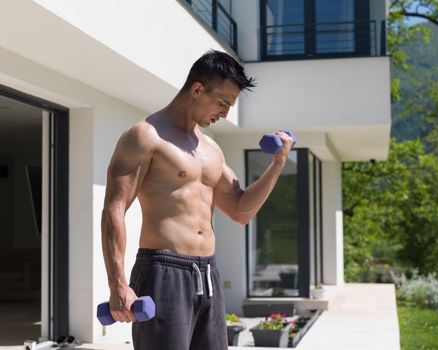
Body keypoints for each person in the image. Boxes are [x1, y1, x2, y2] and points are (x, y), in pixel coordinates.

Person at [101, 50, 294, 350]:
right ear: (197, 89)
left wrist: (277, 164)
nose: (225, 114)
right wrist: (118, 285)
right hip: (163, 272)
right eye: (223, 103)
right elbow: (114, 210)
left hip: (208, 273)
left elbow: (241, 210)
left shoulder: (211, 150)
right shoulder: (146, 136)